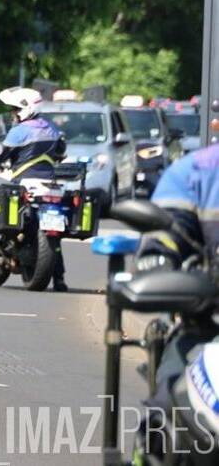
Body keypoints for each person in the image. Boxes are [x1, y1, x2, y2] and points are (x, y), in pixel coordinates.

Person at [132, 143, 219, 454]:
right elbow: (165, 233)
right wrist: (157, 259)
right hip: (208, 334)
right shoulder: (197, 172)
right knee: (164, 416)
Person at [0, 86, 69, 291]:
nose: (13, 114)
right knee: (55, 235)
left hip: (25, 181)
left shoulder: (20, 131)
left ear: (24, 108)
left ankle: (2, 245)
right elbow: (62, 151)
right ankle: (60, 279)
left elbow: (1, 154)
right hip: (51, 185)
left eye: (15, 109)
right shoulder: (52, 128)